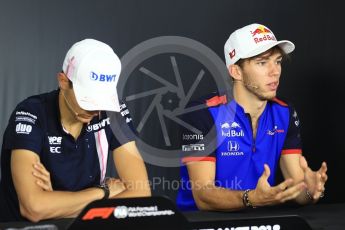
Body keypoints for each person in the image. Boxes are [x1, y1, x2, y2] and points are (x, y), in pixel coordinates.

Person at [176, 23, 328, 211]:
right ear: (236, 71)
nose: (275, 72)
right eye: (262, 62)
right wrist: (251, 199)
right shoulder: (202, 113)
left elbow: (297, 189)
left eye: (278, 61)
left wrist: (310, 191)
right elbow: (203, 196)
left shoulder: (284, 112)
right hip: (202, 223)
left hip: (259, 222)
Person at [0, 39, 151, 222]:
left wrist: (58, 205)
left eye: (102, 100)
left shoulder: (112, 113)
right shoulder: (31, 112)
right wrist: (104, 192)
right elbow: (35, 208)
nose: (96, 110)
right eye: (87, 98)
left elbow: (141, 193)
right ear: (63, 81)